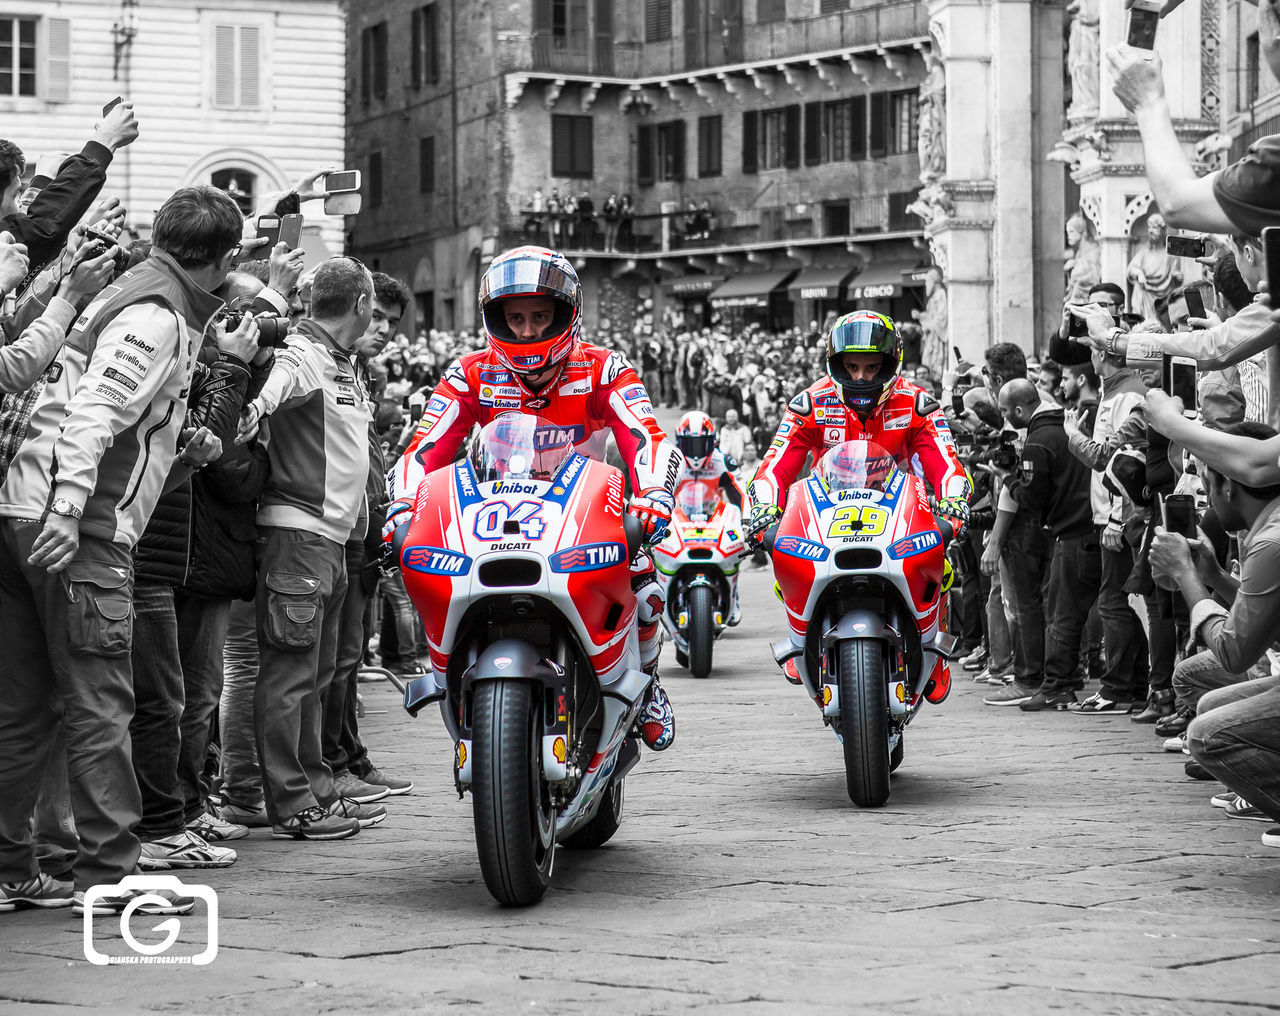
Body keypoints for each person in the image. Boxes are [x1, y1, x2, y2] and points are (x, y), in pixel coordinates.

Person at [0, 184, 243, 914]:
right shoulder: (158, 312)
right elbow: (96, 412)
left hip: (19, 509)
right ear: (225, 260)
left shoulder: (132, 293)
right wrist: (73, 510)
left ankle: (15, 867)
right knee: (101, 702)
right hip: (75, 527)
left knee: (24, 707)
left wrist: (182, 450)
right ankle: (109, 875)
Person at [386, 246, 682, 752]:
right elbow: (424, 446)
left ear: (567, 314)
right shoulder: (469, 373)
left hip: (583, 511)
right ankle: (449, 671)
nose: (526, 331)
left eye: (540, 316)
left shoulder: (605, 367)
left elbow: (645, 434)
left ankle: (649, 683)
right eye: (515, 317)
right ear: (494, 318)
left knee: (645, 581)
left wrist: (653, 492)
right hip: (494, 513)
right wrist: (402, 508)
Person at [238, 257, 386, 841]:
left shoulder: (333, 359)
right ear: (362, 303)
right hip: (298, 536)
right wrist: (253, 409)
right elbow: (275, 386)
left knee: (315, 673)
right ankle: (293, 801)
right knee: (290, 676)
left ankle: (316, 789)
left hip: (326, 536)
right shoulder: (304, 354)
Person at [1149, 421, 1280, 847]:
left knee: (1207, 734)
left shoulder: (1270, 543)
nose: (1205, 497)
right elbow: (1269, 625)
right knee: (1208, 701)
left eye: (1207, 482)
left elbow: (1234, 653)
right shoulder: (1269, 528)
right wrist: (1214, 576)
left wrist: (1186, 576)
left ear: (1229, 485)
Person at [746, 309, 971, 539]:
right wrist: (766, 506)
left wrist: (953, 500)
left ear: (889, 364)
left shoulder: (916, 404)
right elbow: (775, 463)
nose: (860, 378)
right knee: (786, 572)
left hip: (901, 523)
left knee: (942, 573)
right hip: (823, 524)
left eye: (872, 367)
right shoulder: (811, 404)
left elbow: (946, 462)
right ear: (837, 364)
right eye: (852, 367)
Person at [996, 380, 1099, 711]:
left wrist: (1007, 478)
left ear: (1020, 409)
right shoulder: (1066, 427)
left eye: (1004, 411)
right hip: (1090, 526)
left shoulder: (1039, 441)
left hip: (1071, 532)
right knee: (1096, 608)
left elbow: (1031, 499)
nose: (1005, 418)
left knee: (1061, 613)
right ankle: (1078, 679)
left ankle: (1058, 684)